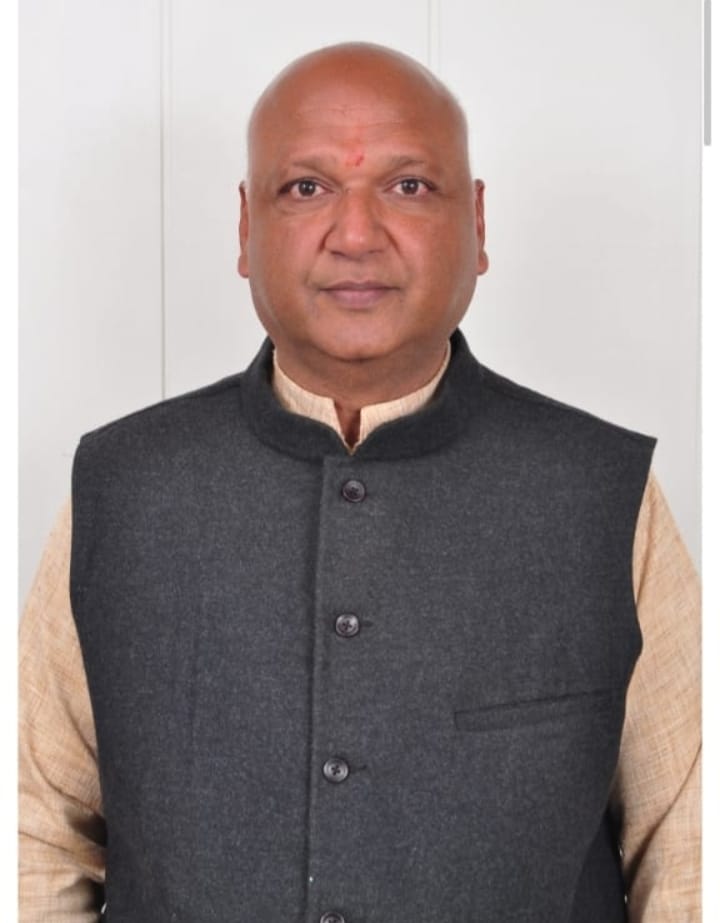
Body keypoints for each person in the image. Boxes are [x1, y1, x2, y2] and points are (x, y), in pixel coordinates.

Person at [19, 42, 700, 922]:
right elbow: (31, 841)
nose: (355, 234)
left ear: (478, 223)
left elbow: (693, 859)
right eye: (306, 187)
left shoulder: (604, 497)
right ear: (245, 228)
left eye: (408, 185)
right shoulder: (123, 490)